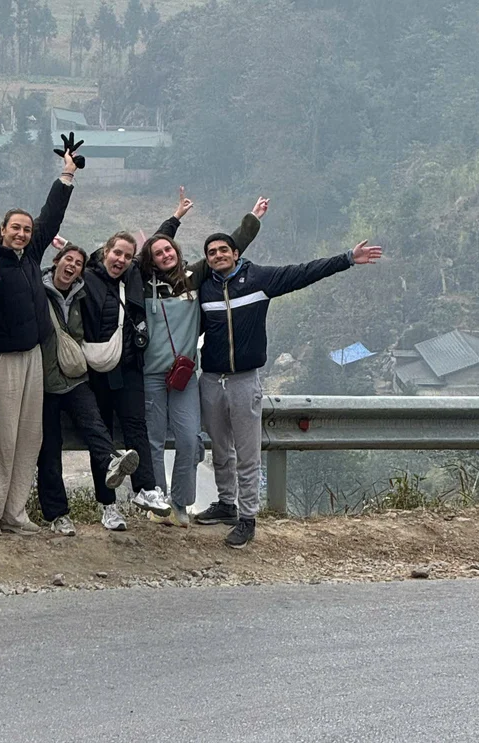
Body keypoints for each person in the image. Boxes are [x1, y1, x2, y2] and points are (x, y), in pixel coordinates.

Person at [195, 236, 383, 548]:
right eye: (211, 253)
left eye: (223, 250)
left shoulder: (258, 279)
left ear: (236, 253)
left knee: (247, 452)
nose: (217, 256)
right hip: (212, 379)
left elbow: (304, 272)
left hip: (244, 380)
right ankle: (226, 505)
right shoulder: (204, 288)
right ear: (207, 259)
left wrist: (348, 257)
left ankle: (247, 518)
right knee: (220, 448)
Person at [139, 190, 268, 526]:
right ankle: (158, 505)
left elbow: (228, 247)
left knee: (188, 439)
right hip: (150, 376)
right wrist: (175, 218)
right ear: (150, 260)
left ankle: (181, 504)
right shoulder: (141, 283)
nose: (165, 254)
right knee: (153, 441)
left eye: (169, 249)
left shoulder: (193, 277)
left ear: (177, 252)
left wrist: (252, 219)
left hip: (183, 376)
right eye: (158, 253)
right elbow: (127, 256)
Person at [0, 151, 79, 536]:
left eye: (26, 229)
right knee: (0, 441)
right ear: (2, 229)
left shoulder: (31, 255)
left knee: (29, 439)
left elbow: (51, 215)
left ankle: (14, 513)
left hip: (34, 357)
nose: (21, 233)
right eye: (14, 228)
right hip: (2, 360)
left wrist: (66, 174)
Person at [37, 240, 140, 535]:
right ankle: (58, 515)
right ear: (56, 261)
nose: (72, 266)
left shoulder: (83, 294)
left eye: (78, 263)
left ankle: (111, 464)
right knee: (50, 449)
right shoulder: (37, 290)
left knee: (95, 424)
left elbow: (111, 261)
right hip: (44, 381)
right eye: (68, 259)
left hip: (75, 377)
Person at [79, 232, 171, 530]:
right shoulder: (87, 277)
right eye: (116, 253)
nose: (120, 259)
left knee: (135, 426)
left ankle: (146, 489)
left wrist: (176, 218)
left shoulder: (133, 275)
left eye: (127, 256)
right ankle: (107, 506)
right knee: (102, 437)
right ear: (105, 251)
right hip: (98, 369)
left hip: (130, 366)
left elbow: (158, 245)